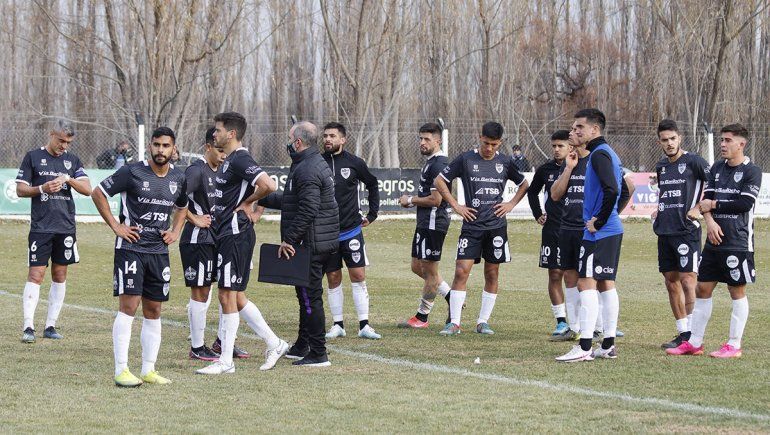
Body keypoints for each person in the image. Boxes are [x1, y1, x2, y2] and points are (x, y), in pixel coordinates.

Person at [92, 126, 188, 387]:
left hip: (158, 251)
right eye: (156, 145)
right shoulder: (131, 172)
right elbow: (98, 192)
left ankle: (148, 369)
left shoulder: (179, 177)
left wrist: (176, 231)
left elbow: (182, 206)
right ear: (150, 147)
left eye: (165, 146)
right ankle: (121, 370)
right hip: (131, 248)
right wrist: (116, 225)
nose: (160, 150)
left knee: (154, 309)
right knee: (129, 307)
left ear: (173, 148)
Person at [196, 112, 287, 375]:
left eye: (218, 130)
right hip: (227, 233)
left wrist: (248, 203)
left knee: (226, 294)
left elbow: (267, 185)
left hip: (236, 233)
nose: (215, 134)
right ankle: (274, 342)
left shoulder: (240, 158)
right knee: (236, 296)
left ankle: (226, 361)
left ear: (231, 134)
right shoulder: (229, 160)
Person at [667, 123, 761, 359]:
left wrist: (714, 206)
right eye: (721, 140)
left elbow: (744, 204)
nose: (722, 144)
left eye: (728, 140)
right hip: (713, 239)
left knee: (736, 290)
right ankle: (695, 342)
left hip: (738, 241)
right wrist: (710, 221)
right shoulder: (716, 168)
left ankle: (734, 345)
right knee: (703, 287)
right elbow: (706, 199)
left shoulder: (752, 171)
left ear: (742, 144)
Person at [434, 121, 529, 336]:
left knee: (492, 272)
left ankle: (483, 321)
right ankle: (455, 323)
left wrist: (511, 204)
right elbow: (440, 181)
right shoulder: (466, 159)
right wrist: (456, 205)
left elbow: (524, 184)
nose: (489, 148)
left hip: (496, 227)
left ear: (500, 143)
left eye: (494, 145)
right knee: (461, 270)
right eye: (486, 143)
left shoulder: (505, 162)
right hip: (472, 226)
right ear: (480, 137)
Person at [259, 121, 339, 366]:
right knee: (304, 295)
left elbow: (308, 208)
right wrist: (260, 197)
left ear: (298, 142)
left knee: (309, 297)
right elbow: (294, 199)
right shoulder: (308, 163)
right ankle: (303, 344)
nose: (287, 143)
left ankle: (318, 352)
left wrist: (289, 239)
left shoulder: (307, 168)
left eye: (289, 138)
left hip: (311, 245)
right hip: (318, 242)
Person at [15, 119, 92, 343]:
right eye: (60, 141)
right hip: (41, 227)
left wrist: (69, 179)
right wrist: (42, 188)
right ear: (51, 134)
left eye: (68, 142)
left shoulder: (72, 161)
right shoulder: (33, 157)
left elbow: (88, 189)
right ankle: (28, 326)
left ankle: (50, 325)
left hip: (66, 227)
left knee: (60, 275)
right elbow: (20, 190)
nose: (64, 146)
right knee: (36, 274)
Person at [556, 108, 624, 362]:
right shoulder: (606, 153)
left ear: (594, 130)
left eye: (578, 128)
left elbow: (613, 189)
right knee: (606, 284)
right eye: (573, 128)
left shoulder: (599, 155)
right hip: (609, 231)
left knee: (586, 282)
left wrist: (600, 220)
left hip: (599, 232)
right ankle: (607, 345)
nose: (573, 132)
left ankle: (584, 346)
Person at [181, 128, 250, 361]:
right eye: (219, 151)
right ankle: (197, 347)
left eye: (225, 151)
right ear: (207, 147)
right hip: (197, 239)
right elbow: (176, 198)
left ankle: (223, 342)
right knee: (201, 291)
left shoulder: (224, 170)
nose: (223, 155)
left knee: (226, 289)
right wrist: (195, 218)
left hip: (220, 238)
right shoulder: (196, 171)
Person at [652, 120, 710, 349]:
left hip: (687, 231)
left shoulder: (694, 161)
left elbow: (713, 183)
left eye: (672, 139)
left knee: (688, 281)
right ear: (660, 142)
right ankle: (683, 333)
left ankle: (695, 337)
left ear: (680, 138)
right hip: (665, 231)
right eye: (664, 140)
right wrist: (659, 210)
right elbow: (666, 193)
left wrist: (699, 208)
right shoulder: (661, 167)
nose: (669, 143)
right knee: (671, 282)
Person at [321, 122, 382, 340]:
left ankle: (364, 325)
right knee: (333, 276)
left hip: (351, 231)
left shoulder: (355, 163)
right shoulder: (318, 163)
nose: (328, 139)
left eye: (333, 136)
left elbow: (373, 184)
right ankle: (338, 325)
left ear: (343, 139)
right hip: (326, 232)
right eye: (326, 136)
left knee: (358, 275)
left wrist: (372, 214)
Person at [398, 122, 452, 328]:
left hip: (433, 223)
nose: (422, 142)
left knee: (430, 271)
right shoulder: (431, 161)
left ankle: (422, 317)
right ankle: (452, 296)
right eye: (420, 138)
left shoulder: (438, 164)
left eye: (427, 139)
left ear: (438, 141)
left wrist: (410, 200)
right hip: (425, 222)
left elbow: (436, 199)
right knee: (416, 266)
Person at [527, 130, 570, 338]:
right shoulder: (545, 170)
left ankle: (597, 322)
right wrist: (538, 213)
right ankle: (561, 321)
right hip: (552, 229)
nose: (556, 149)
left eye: (560, 145)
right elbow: (532, 192)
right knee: (555, 274)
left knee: (581, 276)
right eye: (554, 146)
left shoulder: (581, 167)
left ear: (570, 146)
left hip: (575, 228)